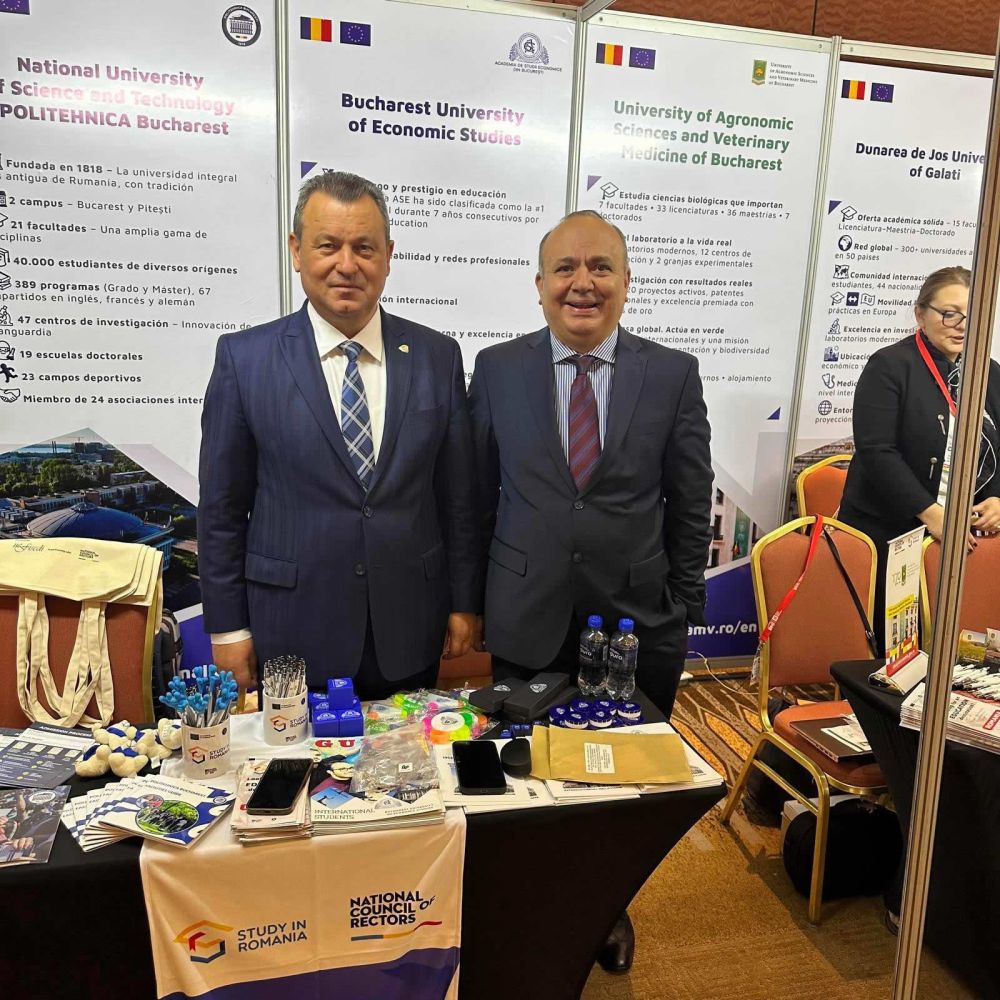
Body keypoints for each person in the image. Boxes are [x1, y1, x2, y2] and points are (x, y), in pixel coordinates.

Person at [468, 209, 713, 973]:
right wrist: (472, 604)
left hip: (637, 624)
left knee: (620, 788)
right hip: (526, 615)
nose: (583, 283)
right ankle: (526, 909)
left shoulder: (671, 374)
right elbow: (476, 498)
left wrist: (682, 611)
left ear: (626, 282)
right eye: (566, 268)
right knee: (527, 776)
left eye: (601, 267)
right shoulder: (497, 369)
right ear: (539, 283)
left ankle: (607, 909)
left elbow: (690, 500)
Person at [198, 171, 479, 697]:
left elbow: (457, 499)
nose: (346, 265)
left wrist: (465, 602)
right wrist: (229, 629)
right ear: (296, 251)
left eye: (364, 248)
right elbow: (221, 511)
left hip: (409, 625)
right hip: (291, 629)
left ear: (388, 255)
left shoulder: (437, 357)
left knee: (406, 750)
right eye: (328, 245)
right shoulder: (244, 359)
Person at [839, 266, 1000, 651]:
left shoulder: (990, 373)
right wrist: (931, 513)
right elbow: (877, 452)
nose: (962, 326)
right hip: (892, 527)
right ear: (920, 314)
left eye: (973, 315)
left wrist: (997, 497)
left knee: (961, 645)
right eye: (950, 313)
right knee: (895, 651)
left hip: (968, 534)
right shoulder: (890, 366)